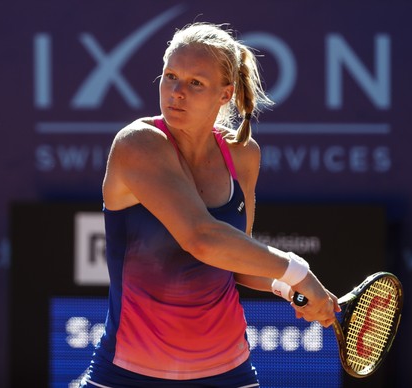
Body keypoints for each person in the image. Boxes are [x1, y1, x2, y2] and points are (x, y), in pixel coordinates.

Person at [80, 22, 340, 388]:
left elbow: (237, 263)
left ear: (225, 94)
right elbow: (201, 238)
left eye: (195, 83)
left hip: (229, 371)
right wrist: (299, 272)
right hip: (128, 373)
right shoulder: (138, 143)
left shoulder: (243, 155)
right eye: (170, 76)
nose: (177, 92)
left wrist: (293, 290)